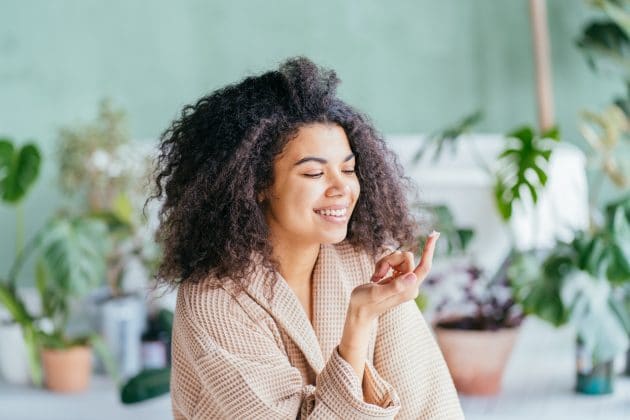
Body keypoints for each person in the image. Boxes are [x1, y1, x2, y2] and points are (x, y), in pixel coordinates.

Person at [151, 57, 464, 419]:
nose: (342, 187)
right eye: (314, 173)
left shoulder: (367, 263)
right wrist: (359, 320)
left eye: (348, 169)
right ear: (257, 186)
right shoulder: (215, 301)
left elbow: (429, 403)